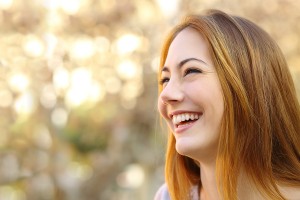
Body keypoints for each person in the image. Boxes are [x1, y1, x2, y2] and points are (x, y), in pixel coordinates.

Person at [155, 9, 300, 200]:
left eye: (190, 71)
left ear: (250, 85)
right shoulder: (168, 196)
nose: (166, 94)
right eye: (165, 80)